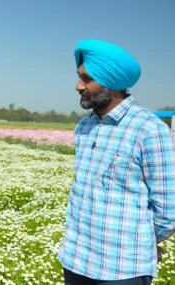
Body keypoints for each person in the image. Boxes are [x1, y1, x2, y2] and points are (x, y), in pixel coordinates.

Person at [58, 39, 175, 285]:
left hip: (122, 269)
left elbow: (168, 210)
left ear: (111, 82)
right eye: (79, 77)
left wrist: (142, 242)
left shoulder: (149, 130)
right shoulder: (84, 126)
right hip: (77, 259)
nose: (78, 86)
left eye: (87, 79)